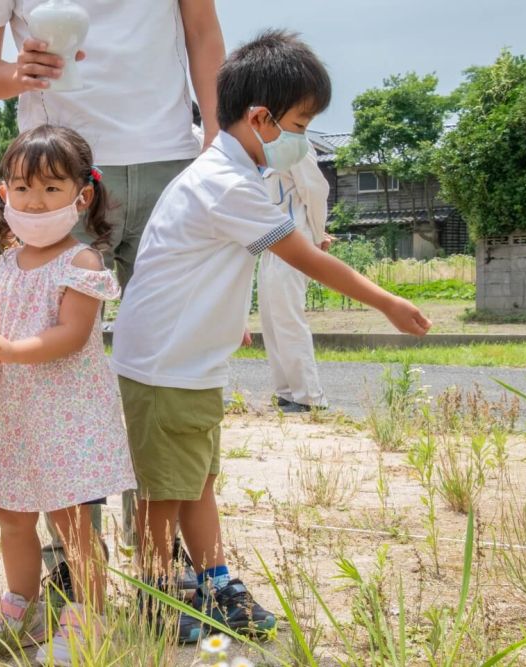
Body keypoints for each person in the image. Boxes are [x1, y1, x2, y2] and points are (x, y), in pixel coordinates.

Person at [111, 30, 431, 642]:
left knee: (197, 479)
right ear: (260, 119)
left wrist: (229, 323)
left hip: (190, 362)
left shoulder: (230, 175)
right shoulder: (224, 184)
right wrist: (387, 300)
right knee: (162, 493)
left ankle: (213, 580)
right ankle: (156, 594)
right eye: (301, 123)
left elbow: (193, 267)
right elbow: (305, 256)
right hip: (166, 367)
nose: (304, 138)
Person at [0, 0, 225, 590]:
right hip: (57, 169)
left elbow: (203, 31)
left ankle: (168, 552)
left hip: (172, 159)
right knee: (54, 369)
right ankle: (72, 560)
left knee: (168, 369)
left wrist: (215, 140)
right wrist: (17, 73)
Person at [0, 125, 136, 665]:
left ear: (81, 197)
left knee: (71, 521)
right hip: (14, 413)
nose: (35, 202)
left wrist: (7, 347)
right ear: (5, 194)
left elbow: (70, 335)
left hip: (68, 415)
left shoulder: (82, 263)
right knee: (11, 515)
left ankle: (88, 618)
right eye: (22, 188)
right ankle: (23, 605)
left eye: (51, 190)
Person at [257, 146, 333, 412]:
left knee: (289, 320)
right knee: (271, 321)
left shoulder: (295, 146)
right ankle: (287, 392)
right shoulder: (258, 147)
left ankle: (309, 398)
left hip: (294, 244)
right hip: (269, 247)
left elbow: (315, 192)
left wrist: (316, 235)